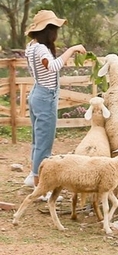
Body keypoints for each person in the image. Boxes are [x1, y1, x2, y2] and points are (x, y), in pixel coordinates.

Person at [23, 10, 86, 200]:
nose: (56, 33)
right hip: (45, 97)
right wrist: (72, 49)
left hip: (37, 93)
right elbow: (52, 67)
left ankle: (33, 176)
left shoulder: (31, 46)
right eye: (55, 29)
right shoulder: (41, 49)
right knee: (44, 143)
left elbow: (47, 67)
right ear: (48, 30)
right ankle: (40, 187)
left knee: (37, 139)